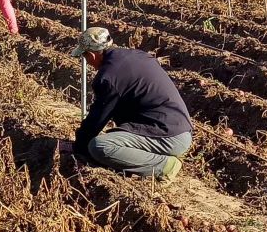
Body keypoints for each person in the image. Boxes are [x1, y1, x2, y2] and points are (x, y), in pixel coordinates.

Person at [62, 27, 192, 181]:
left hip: (167, 136)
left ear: (91, 54)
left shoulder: (109, 78)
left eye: (85, 56)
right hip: (180, 129)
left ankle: (165, 166)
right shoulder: (139, 55)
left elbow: (97, 119)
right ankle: (156, 156)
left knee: (100, 146)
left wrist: (78, 147)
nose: (87, 61)